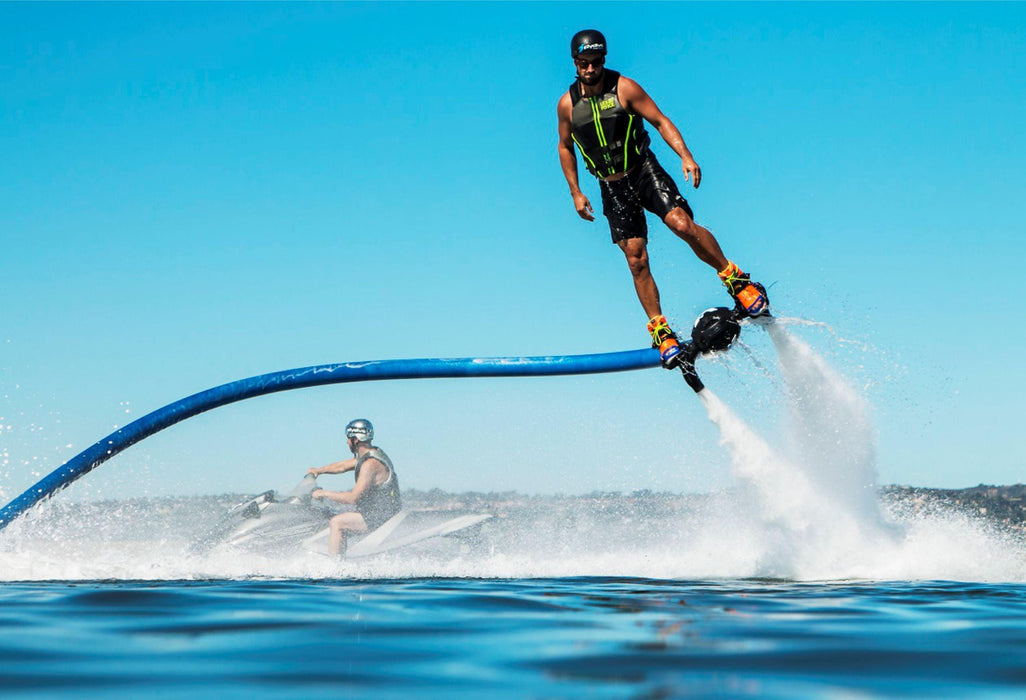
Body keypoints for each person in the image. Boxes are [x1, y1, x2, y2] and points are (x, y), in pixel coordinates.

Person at [556, 29, 770, 369]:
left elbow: (659, 120)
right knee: (636, 258)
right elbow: (565, 147)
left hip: (643, 172)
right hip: (610, 187)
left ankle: (736, 279)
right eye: (583, 63)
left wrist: (685, 155)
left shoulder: (624, 88)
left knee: (681, 224)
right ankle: (660, 329)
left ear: (604, 60)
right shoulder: (567, 105)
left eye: (596, 62)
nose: (590, 69)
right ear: (575, 63)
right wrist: (576, 192)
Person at [306, 418, 401, 557]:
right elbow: (343, 466)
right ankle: (340, 557)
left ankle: (334, 568)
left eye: (348, 438)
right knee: (330, 514)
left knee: (337, 522)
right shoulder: (370, 455)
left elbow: (353, 498)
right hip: (377, 513)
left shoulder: (370, 464)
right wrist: (319, 470)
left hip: (381, 517)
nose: (347, 442)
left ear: (355, 440)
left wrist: (323, 493)